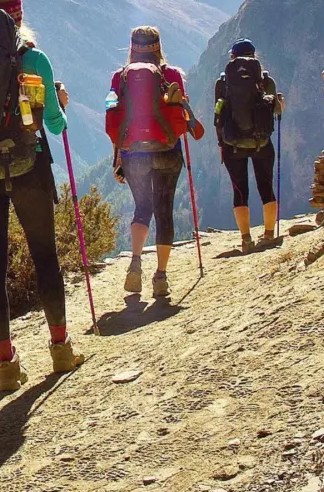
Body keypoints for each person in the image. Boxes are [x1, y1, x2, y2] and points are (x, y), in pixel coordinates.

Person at [0, 0, 83, 393]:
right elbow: (55, 125)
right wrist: (59, 101)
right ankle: (60, 349)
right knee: (44, 255)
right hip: (27, 166)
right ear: (19, 15)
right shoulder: (34, 59)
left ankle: (6, 366)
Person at [105, 26, 204, 300]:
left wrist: (117, 159)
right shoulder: (171, 75)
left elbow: (114, 117)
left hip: (133, 152)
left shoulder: (119, 77)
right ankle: (161, 276)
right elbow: (180, 114)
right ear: (158, 47)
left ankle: (135, 261)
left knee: (142, 207)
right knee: (164, 211)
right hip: (167, 149)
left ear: (132, 47)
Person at [214, 39, 285, 253]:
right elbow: (276, 111)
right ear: (255, 56)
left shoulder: (222, 83)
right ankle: (269, 234)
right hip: (261, 141)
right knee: (266, 186)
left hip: (232, 143)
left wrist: (221, 143)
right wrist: (279, 102)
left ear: (232, 57)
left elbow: (218, 115)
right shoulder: (265, 80)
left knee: (240, 191)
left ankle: (246, 239)